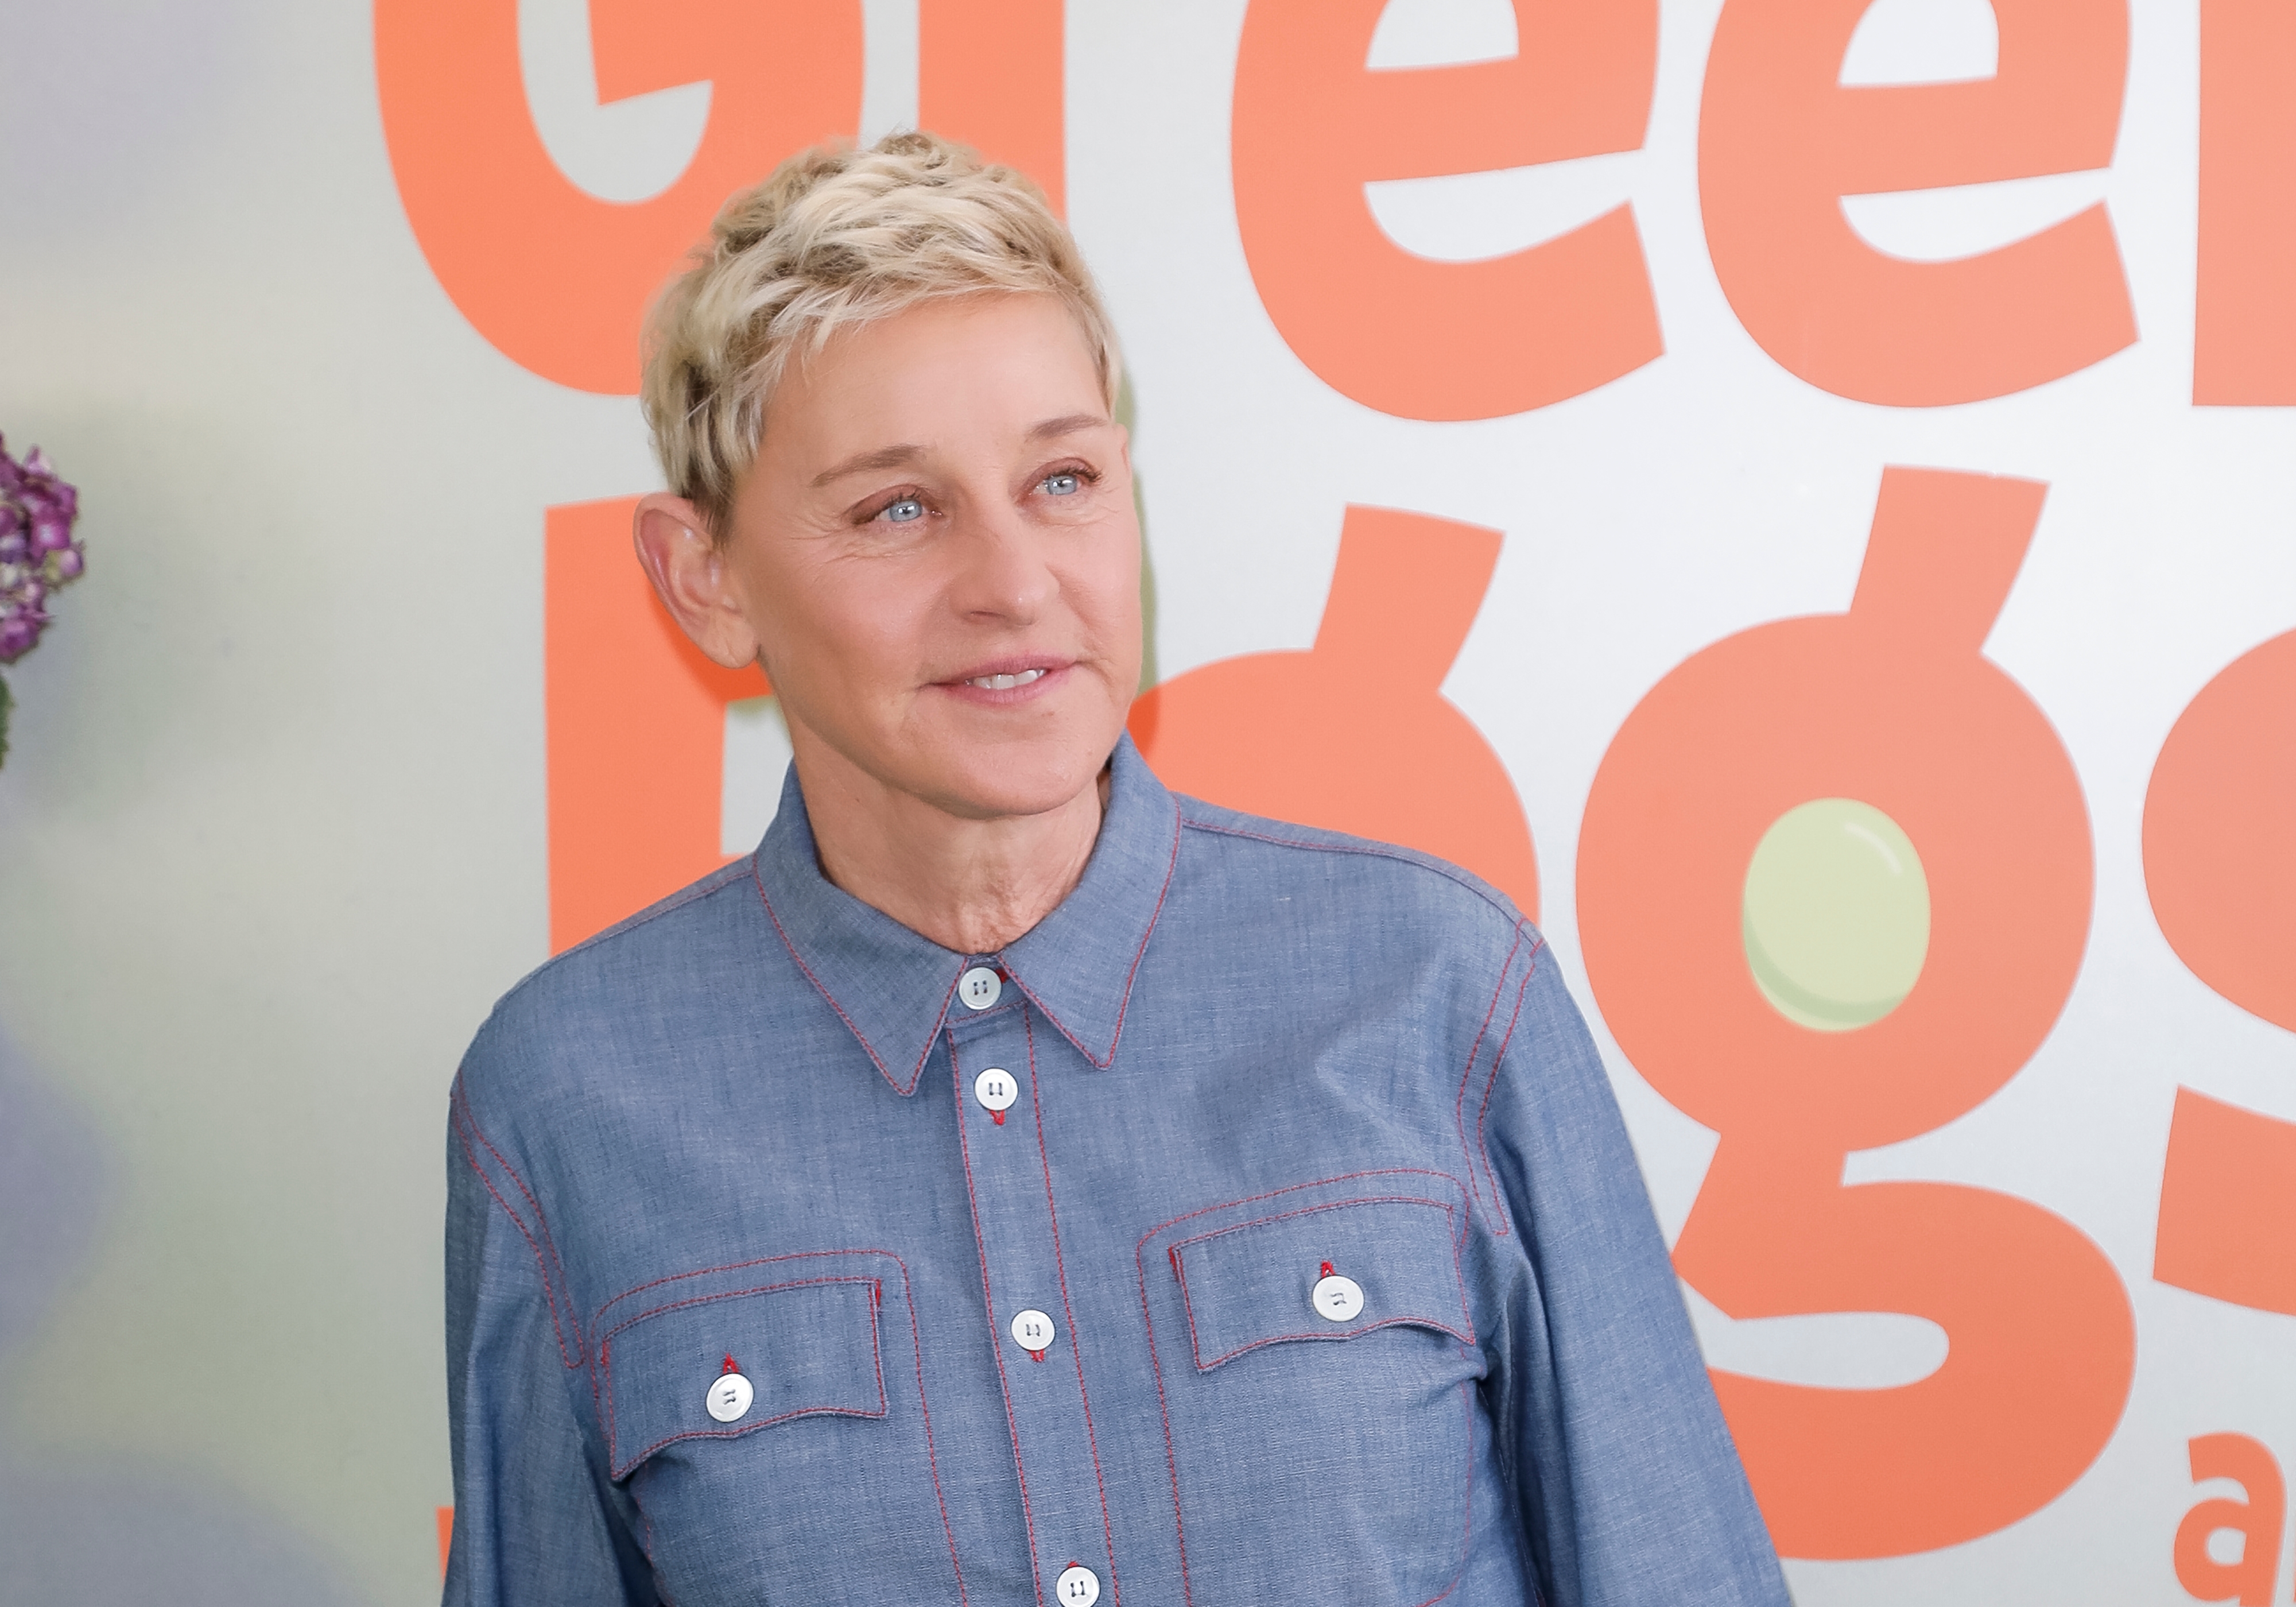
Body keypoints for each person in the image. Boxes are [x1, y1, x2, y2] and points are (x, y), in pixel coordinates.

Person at [444, 131, 1789, 1607]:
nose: (1015, 582)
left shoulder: (1439, 988)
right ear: (704, 578)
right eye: (898, 508)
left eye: (1062, 478)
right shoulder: (565, 1099)